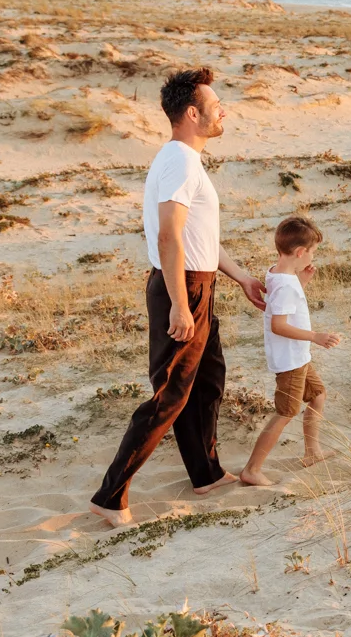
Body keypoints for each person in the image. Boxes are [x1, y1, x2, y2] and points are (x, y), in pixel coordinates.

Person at [89, 67, 267, 526]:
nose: (222, 110)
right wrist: (181, 305)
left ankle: (205, 474)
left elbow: (199, 236)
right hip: (182, 286)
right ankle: (110, 497)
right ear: (193, 113)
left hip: (198, 282)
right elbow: (169, 237)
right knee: (169, 395)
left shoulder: (187, 160)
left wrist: (242, 278)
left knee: (207, 383)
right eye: (215, 105)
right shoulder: (180, 161)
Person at [238, 216, 343, 486]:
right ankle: (252, 469)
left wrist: (303, 282)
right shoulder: (285, 284)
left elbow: (282, 306)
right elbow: (279, 325)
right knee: (285, 412)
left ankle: (312, 452)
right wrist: (315, 337)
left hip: (299, 356)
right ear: (300, 252)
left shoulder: (279, 273)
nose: (312, 257)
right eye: (312, 252)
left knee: (318, 395)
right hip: (290, 361)